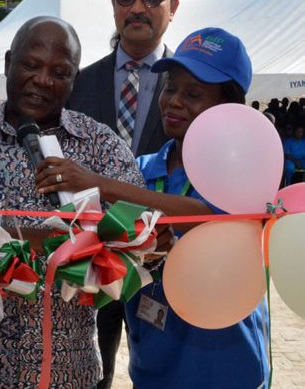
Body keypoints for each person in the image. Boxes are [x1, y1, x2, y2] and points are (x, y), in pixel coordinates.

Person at [0, 16, 144, 388]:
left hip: (66, 364)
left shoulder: (99, 143)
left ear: (73, 79)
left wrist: (18, 236)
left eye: (59, 71)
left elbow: (134, 229)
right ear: (8, 63)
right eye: (31, 65)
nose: (42, 80)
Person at [37, 27, 268, 389]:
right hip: (154, 362)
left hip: (225, 364)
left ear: (229, 108)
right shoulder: (142, 168)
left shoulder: (241, 174)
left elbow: (200, 217)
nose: (174, 101)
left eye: (193, 94)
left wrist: (99, 182)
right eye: (170, 88)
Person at [66, 0, 180, 385]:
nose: (138, 7)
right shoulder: (77, 84)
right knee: (93, 374)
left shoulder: (194, 89)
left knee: (163, 373)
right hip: (89, 260)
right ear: (114, 6)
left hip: (169, 262)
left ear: (173, 7)